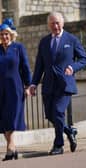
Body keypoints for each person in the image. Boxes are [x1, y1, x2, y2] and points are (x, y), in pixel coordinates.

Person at [29, 12, 86, 155]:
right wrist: (33, 84)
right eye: (52, 23)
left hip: (64, 84)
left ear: (62, 23)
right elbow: (39, 66)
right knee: (50, 115)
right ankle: (69, 130)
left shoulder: (71, 39)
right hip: (48, 84)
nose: (55, 26)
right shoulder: (44, 42)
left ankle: (58, 145)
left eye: (57, 23)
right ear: (48, 25)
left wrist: (72, 67)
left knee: (58, 112)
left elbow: (83, 59)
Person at [0, 18, 32, 161]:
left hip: (15, 88)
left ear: (11, 35)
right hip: (0, 89)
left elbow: (25, 68)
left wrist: (28, 85)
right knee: (3, 120)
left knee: (12, 118)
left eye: (6, 34)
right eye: (1, 34)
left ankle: (10, 149)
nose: (4, 37)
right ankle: (13, 148)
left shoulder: (18, 48)